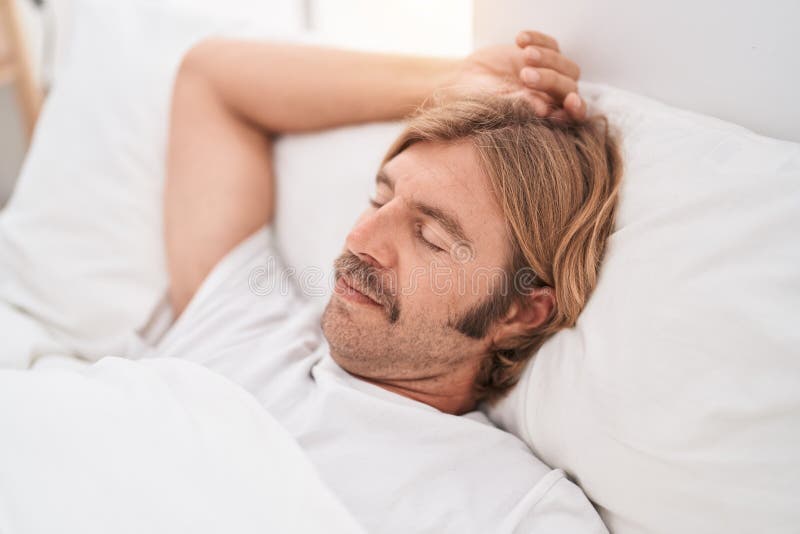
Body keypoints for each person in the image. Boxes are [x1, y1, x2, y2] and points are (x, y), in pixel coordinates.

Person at [152, 29, 621, 532]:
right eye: (380, 200)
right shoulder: (242, 326)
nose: (360, 239)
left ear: (520, 310)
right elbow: (212, 79)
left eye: (431, 238)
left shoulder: (516, 512)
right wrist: (452, 80)